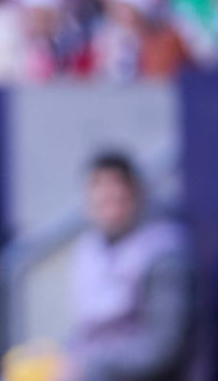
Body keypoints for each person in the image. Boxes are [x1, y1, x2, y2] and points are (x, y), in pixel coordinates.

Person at [64, 152, 192, 381]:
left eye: (117, 198)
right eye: (102, 200)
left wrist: (92, 365)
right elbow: (87, 329)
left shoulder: (162, 253)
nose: (110, 208)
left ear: (135, 195)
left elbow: (163, 348)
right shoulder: (92, 249)